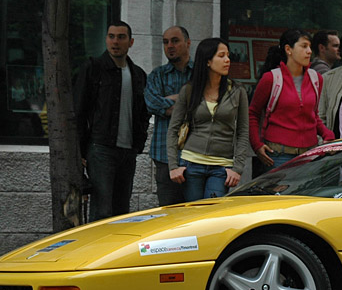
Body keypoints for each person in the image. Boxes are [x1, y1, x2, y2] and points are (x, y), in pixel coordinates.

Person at [74, 20, 150, 222]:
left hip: (128, 152)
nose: (115, 42)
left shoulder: (138, 74)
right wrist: (80, 150)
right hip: (101, 149)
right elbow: (79, 110)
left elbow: (143, 112)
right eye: (111, 36)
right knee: (102, 212)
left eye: (121, 37)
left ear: (131, 42)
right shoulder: (94, 68)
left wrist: (138, 144)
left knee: (121, 212)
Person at [166, 38, 249, 200]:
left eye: (228, 56)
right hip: (191, 164)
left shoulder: (237, 91)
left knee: (211, 214)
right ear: (208, 61)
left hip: (221, 167)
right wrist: (173, 166)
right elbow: (173, 129)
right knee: (193, 215)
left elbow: (243, 131)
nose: (227, 60)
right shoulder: (189, 90)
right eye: (221, 56)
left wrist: (237, 168)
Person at [248, 28, 334, 171]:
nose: (309, 51)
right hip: (278, 155)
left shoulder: (316, 79)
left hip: (309, 155)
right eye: (304, 46)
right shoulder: (271, 79)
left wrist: (327, 134)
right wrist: (256, 145)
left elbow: (313, 115)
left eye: (310, 47)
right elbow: (253, 113)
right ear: (289, 49)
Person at [145, 25, 194, 206]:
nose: (169, 46)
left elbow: (204, 105)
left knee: (196, 214)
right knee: (169, 213)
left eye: (175, 41)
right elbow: (152, 104)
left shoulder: (200, 73)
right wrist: (186, 101)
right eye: (165, 42)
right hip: (165, 154)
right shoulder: (157, 75)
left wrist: (170, 101)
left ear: (188, 43)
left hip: (196, 154)